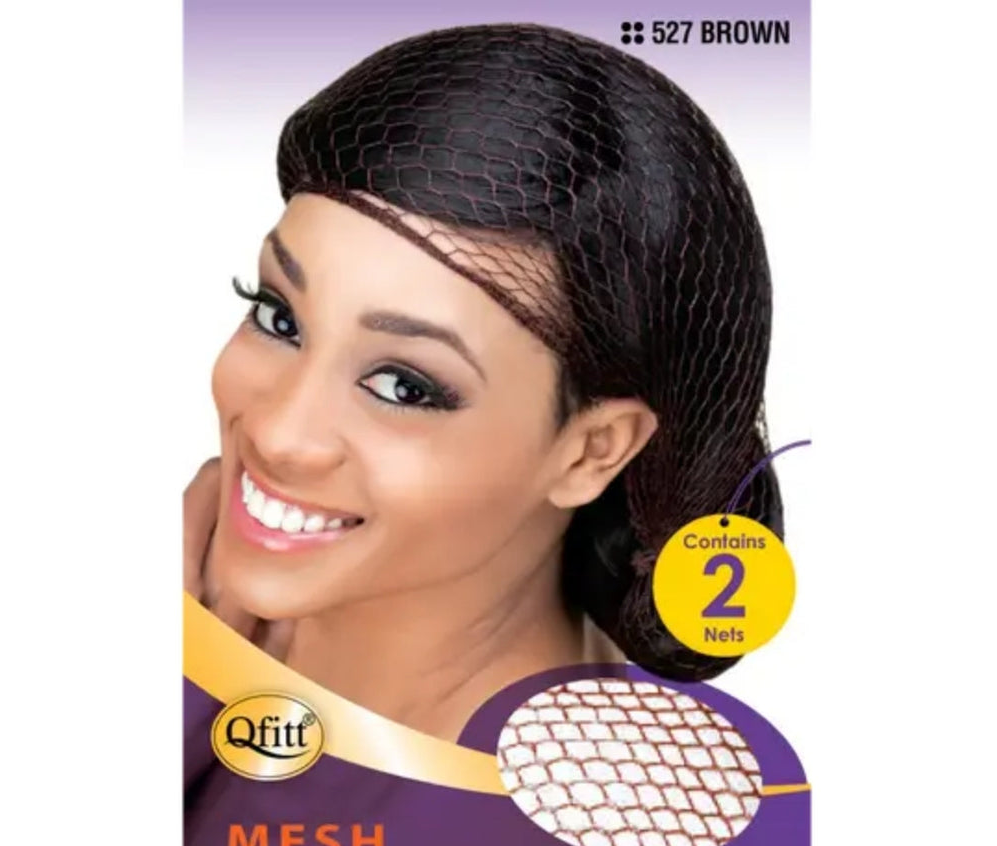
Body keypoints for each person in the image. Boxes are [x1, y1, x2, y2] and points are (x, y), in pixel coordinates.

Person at [183, 23, 781, 745]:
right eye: (279, 318)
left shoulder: (531, 802)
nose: (278, 434)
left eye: (403, 387)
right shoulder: (207, 621)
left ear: (592, 449)